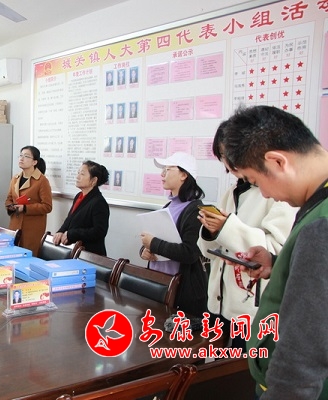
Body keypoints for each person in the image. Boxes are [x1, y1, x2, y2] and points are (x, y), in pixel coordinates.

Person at [220, 105, 328, 399]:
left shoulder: (322, 224)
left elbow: (303, 352)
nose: (265, 194)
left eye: (256, 182)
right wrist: (278, 264)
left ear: (278, 161)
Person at [197, 122, 296, 349]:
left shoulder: (275, 193)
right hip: (219, 302)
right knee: (215, 363)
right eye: (223, 155)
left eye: (233, 153)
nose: (230, 162)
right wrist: (211, 232)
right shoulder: (231, 192)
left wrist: (227, 228)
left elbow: (277, 251)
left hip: (251, 307)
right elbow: (208, 253)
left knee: (242, 364)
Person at [140, 152, 207, 317]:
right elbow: (156, 240)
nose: (162, 174)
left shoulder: (195, 210)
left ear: (184, 175)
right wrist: (145, 250)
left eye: (168, 169)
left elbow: (189, 252)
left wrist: (153, 244)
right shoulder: (168, 206)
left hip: (180, 292)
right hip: (158, 284)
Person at [53, 161, 110, 256]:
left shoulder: (99, 202)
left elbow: (99, 232)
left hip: (90, 254)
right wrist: (61, 231)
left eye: (82, 174)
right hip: (75, 250)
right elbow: (70, 219)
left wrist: (72, 234)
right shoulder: (79, 196)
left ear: (93, 180)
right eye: (78, 173)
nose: (77, 177)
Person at [5, 146, 52, 255]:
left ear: (34, 162)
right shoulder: (15, 178)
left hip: (32, 229)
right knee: (11, 256)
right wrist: (10, 206)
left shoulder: (42, 181)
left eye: (26, 156)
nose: (21, 158)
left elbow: (47, 206)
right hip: (15, 225)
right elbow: (9, 198)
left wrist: (25, 208)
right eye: (20, 155)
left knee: (27, 257)